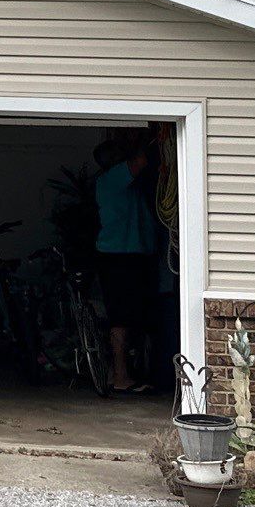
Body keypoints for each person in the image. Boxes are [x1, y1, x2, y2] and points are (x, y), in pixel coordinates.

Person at [91, 131, 162, 394]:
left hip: (124, 254)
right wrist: (145, 139)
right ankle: (121, 377)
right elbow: (140, 162)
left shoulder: (116, 183)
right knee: (121, 317)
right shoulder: (113, 179)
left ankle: (116, 374)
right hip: (119, 255)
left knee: (125, 315)